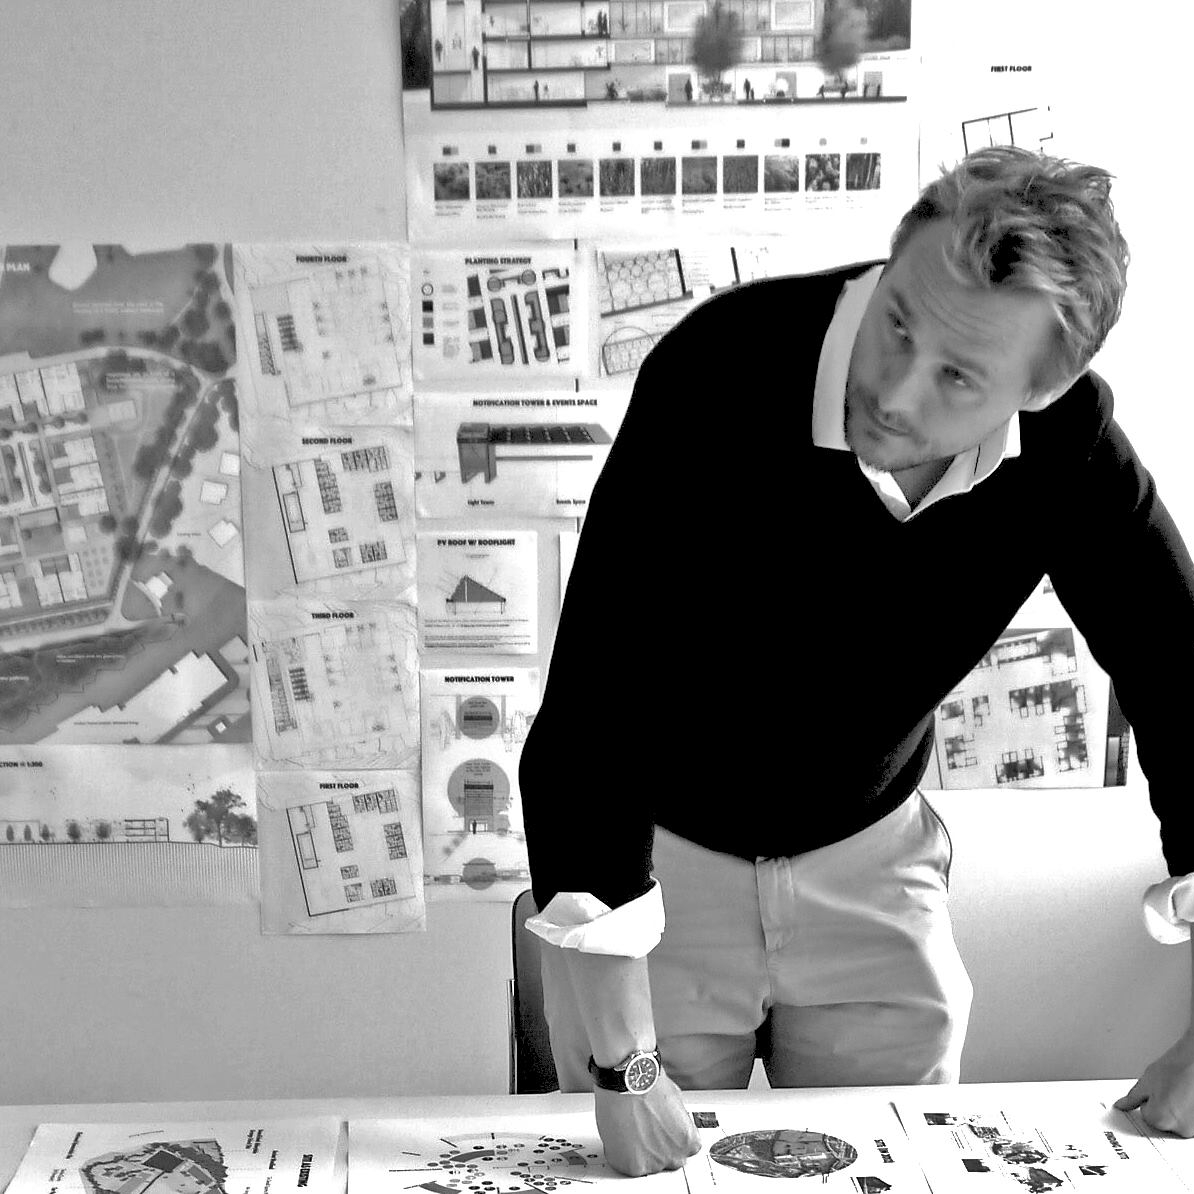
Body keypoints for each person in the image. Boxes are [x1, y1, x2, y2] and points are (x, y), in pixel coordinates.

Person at [518, 145, 1194, 1176]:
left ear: (1042, 388)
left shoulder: (1071, 448)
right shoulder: (721, 370)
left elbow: (1184, 678)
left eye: (959, 376)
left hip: (871, 862)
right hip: (663, 862)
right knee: (641, 1173)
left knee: (897, 1165)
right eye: (897, 324)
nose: (894, 391)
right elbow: (593, 714)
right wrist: (625, 1069)